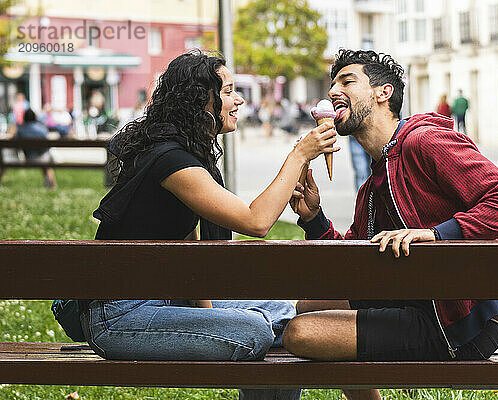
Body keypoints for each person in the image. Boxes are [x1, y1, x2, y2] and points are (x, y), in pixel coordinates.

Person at [282, 49, 498, 400]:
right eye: (332, 83)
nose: (333, 91)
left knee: (301, 333)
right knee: (308, 306)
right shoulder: (373, 184)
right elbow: (351, 259)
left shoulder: (424, 141)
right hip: (415, 303)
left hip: (457, 323)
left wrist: (435, 234)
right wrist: (313, 217)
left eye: (347, 81)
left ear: (383, 93)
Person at [87, 51, 338, 400]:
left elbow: (193, 258)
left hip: (157, 304)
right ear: (199, 100)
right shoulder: (172, 162)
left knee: (285, 315)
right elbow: (258, 221)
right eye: (228, 91)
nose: (239, 100)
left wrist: (211, 318)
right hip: (119, 318)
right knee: (254, 331)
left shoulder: (186, 153)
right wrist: (299, 155)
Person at [16, 109, 56, 189]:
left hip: (28, 158)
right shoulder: (42, 129)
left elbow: (16, 144)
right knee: (46, 161)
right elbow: (47, 145)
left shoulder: (21, 130)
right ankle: (52, 185)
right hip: (42, 158)